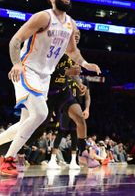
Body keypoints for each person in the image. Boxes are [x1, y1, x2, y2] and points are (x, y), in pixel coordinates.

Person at [0, 0, 101, 176]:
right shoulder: (43, 17)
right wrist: (16, 63)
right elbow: (15, 40)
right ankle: (7, 159)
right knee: (41, 113)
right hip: (27, 70)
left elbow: (72, 51)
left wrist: (85, 63)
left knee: (27, 122)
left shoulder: (70, 24)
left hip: (45, 76)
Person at [46, 29, 91, 170]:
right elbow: (48, 69)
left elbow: (86, 93)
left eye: (78, 36)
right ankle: (50, 159)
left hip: (65, 98)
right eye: (74, 35)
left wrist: (80, 84)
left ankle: (77, 159)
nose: (76, 38)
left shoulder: (75, 57)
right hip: (47, 93)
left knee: (75, 129)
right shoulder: (56, 48)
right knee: (52, 130)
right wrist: (68, 72)